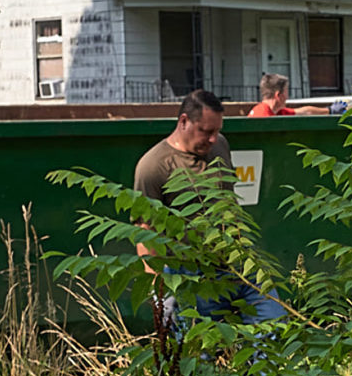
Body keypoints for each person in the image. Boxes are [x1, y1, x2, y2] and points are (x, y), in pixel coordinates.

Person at [134, 90, 284, 323]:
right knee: (206, 351)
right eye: (206, 131)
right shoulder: (154, 166)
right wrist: (159, 294)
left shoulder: (220, 146)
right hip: (194, 276)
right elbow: (146, 234)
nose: (213, 138)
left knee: (274, 331)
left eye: (217, 130)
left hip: (240, 265)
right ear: (184, 121)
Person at [247, 73, 330, 117]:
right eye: (286, 92)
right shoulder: (262, 116)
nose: (287, 97)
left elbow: (306, 112)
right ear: (278, 95)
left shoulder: (278, 112)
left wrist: (329, 110)